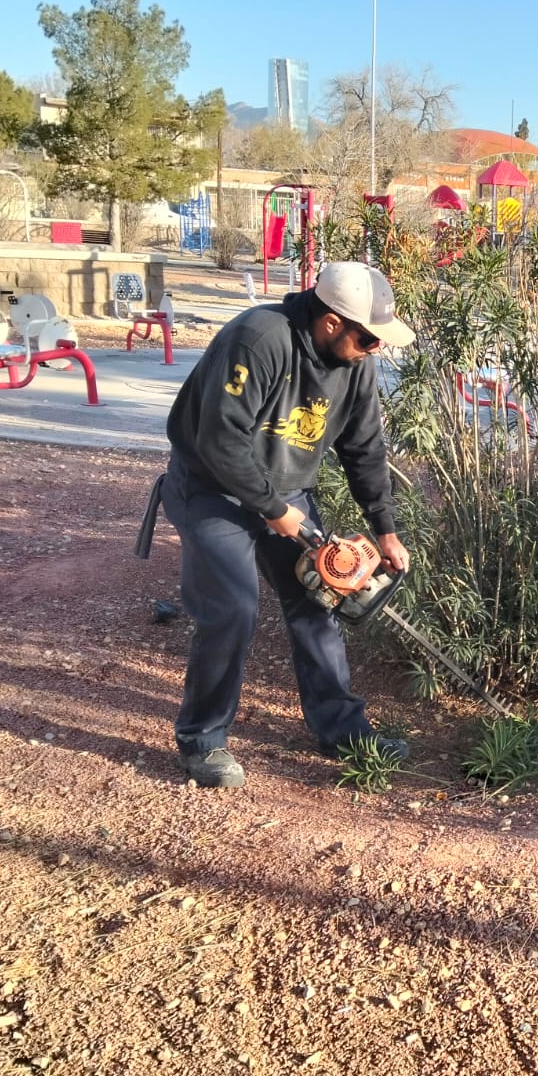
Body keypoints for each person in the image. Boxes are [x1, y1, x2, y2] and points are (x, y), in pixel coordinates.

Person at [158, 261, 415, 789]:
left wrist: (384, 527)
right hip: (212, 491)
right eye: (369, 339)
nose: (376, 350)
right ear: (331, 322)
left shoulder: (356, 363)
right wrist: (274, 511)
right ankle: (203, 740)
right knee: (231, 607)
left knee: (320, 600)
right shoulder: (258, 339)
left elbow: (364, 448)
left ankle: (342, 730)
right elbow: (220, 440)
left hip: (287, 493)